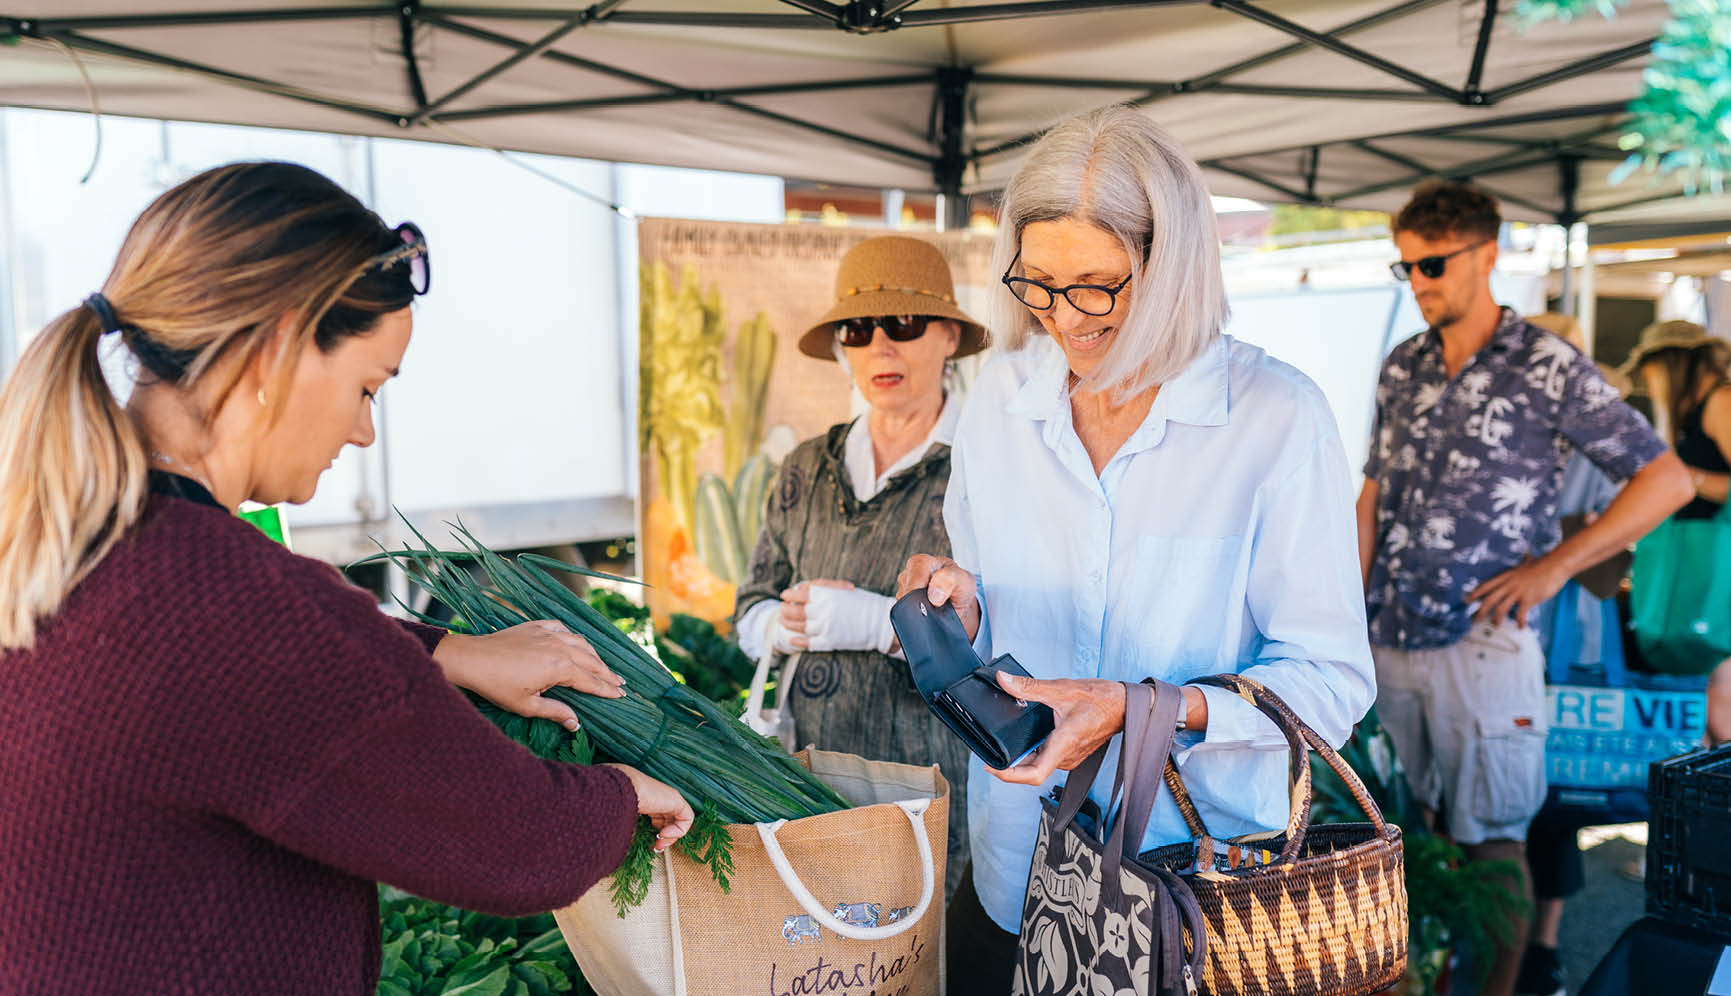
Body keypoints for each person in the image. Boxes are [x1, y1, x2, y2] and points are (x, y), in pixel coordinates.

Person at [0, 162, 693, 994]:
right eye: (367, 387)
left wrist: (448, 651)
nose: (364, 432)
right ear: (276, 350)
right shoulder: (230, 599)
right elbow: (508, 840)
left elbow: (216, 673)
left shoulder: (75, 535)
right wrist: (618, 797)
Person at [896, 105, 1375, 994]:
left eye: (1096, 285)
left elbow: (1332, 681)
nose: (1063, 319)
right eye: (1036, 284)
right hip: (1015, 859)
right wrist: (960, 600)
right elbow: (995, 593)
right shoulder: (998, 399)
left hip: (1197, 889)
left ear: (1173, 269)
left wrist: (1142, 707)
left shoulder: (1274, 416)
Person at [1357, 181, 1691, 996]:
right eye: (1406, 268)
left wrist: (1554, 567)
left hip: (1484, 641)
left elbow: (1665, 478)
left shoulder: (1545, 363)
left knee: (1493, 837)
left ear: (1486, 255)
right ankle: (1427, 980)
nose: (1420, 281)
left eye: (1432, 264)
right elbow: (1372, 491)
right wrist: (1338, 608)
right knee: (1403, 833)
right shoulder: (1401, 364)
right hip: (1386, 635)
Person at [733, 234, 986, 901]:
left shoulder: (987, 468)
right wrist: (781, 625)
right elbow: (749, 604)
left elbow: (1010, 640)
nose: (879, 346)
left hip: (925, 785)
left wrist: (880, 624)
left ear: (950, 338)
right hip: (802, 777)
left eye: (902, 324)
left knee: (914, 954)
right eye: (858, 328)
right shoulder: (804, 467)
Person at [1622, 318, 1731, 742]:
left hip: (1716, 574)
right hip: (1703, 574)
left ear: (1669, 363)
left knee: (1720, 714)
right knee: (1710, 712)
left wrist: (1682, 475)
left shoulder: (1721, 401)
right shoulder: (1695, 411)